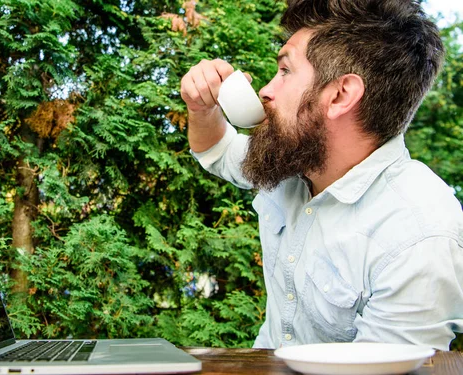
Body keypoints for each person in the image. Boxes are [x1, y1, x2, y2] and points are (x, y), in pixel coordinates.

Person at [180, 0, 463, 350]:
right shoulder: (293, 158)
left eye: (285, 71)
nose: (266, 90)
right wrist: (200, 107)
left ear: (341, 95)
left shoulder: (420, 234)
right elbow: (218, 151)